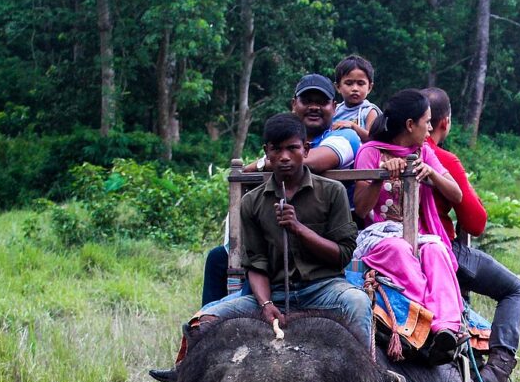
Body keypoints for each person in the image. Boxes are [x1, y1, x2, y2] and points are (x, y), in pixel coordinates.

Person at [196, 113, 371, 345]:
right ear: (266, 152)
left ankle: (367, 376)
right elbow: (256, 264)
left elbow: (342, 254)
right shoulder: (252, 202)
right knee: (202, 320)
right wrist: (266, 304)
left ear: (306, 150)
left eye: (293, 148)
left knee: (357, 302)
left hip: (324, 289)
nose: (285, 157)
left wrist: (299, 228)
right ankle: (188, 376)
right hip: (275, 292)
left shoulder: (332, 191)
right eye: (277, 149)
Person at [202, 74, 359, 305]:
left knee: (356, 302)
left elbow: (316, 161)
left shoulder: (344, 136)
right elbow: (256, 260)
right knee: (217, 265)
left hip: (326, 239)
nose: (314, 107)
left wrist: (266, 162)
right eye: (307, 101)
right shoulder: (277, 134)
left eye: (321, 101)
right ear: (294, 104)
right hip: (270, 253)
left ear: (334, 107)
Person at [421, 87, 520, 382]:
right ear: (444, 123)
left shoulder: (375, 151)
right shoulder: (441, 158)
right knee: (515, 288)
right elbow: (476, 222)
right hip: (440, 251)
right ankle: (498, 370)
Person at [354, 89, 466, 356]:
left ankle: (446, 328)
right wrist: (381, 177)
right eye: (426, 122)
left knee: (437, 250)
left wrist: (433, 176)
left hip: (414, 234)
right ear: (409, 125)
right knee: (400, 250)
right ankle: (421, 321)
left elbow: (457, 194)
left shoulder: (424, 152)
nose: (430, 128)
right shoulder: (371, 152)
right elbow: (361, 208)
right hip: (379, 236)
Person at [332, 55, 382, 142]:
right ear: (338, 87)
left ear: (369, 87)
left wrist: (353, 126)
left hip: (359, 154)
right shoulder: (335, 110)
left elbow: (373, 139)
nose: (355, 88)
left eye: (360, 83)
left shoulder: (369, 111)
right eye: (349, 83)